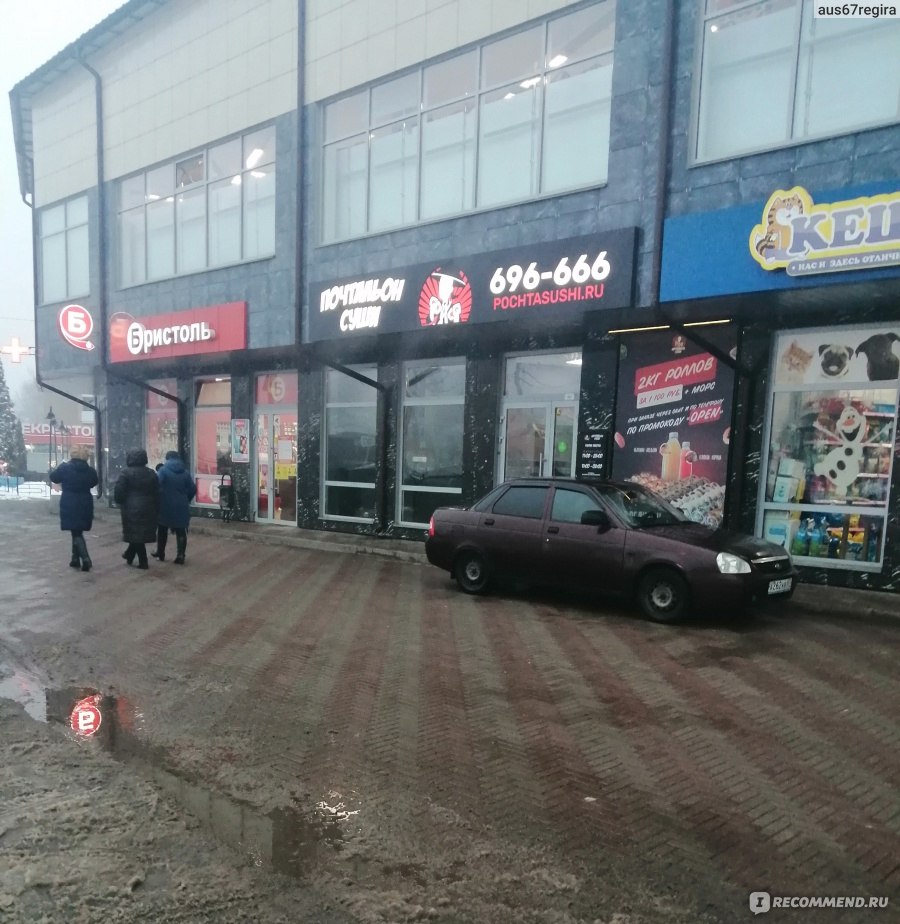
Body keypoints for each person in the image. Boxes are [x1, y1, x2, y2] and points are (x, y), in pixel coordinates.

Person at [49, 445, 99, 572]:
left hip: (69, 501)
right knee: (77, 530)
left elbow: (54, 477)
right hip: (85, 502)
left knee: (76, 532)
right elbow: (94, 482)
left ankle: (86, 559)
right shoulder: (90, 471)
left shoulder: (65, 468)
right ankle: (75, 559)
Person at [114, 448, 160, 569]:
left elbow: (119, 492)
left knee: (136, 533)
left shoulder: (125, 473)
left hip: (131, 507)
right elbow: (157, 491)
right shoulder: (151, 473)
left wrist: (120, 501)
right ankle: (129, 554)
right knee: (139, 533)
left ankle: (143, 562)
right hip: (149, 507)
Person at [153, 450, 197, 564]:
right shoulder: (185, 472)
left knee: (162, 529)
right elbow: (193, 488)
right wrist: (186, 498)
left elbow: (156, 485)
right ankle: (181, 555)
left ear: (167, 459)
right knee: (181, 530)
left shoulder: (163, 470)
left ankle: (160, 553)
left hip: (165, 504)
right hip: (181, 505)